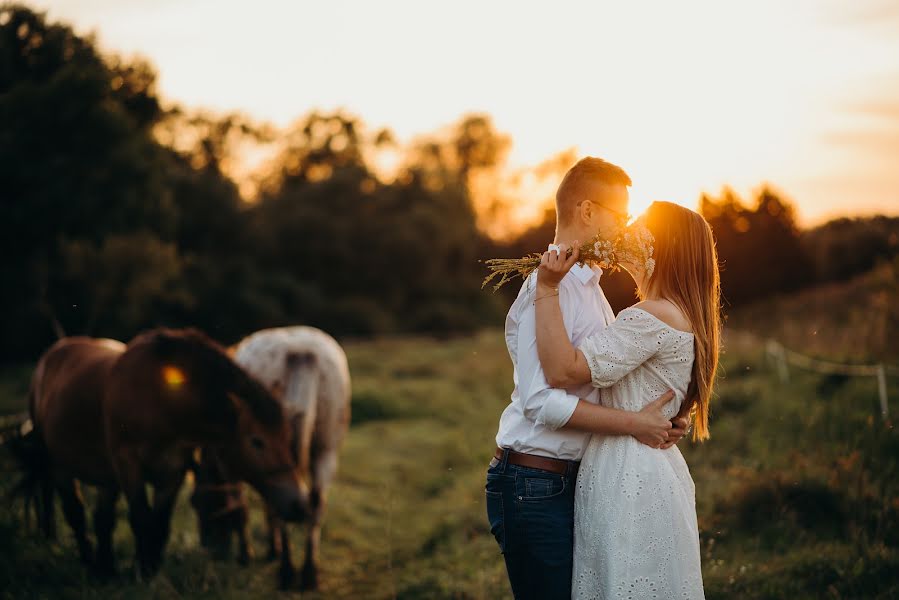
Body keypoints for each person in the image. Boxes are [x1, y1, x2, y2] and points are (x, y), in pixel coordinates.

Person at [485, 158, 691, 600]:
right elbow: (540, 401)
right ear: (588, 212)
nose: (627, 227)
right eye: (621, 215)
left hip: (565, 482)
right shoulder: (548, 289)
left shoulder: (589, 289)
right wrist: (636, 424)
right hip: (533, 484)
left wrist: (660, 414)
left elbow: (600, 377)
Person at [534, 200, 720, 599]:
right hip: (659, 471)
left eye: (639, 228)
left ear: (662, 246)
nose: (627, 233)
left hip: (626, 475)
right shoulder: (685, 314)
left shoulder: (649, 316)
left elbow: (563, 370)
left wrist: (546, 288)